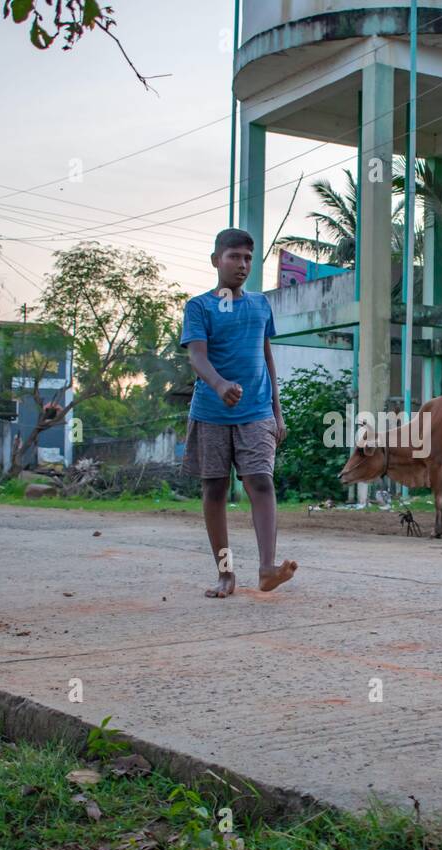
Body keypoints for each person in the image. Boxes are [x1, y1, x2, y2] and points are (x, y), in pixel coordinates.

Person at [181, 228, 296, 598]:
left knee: (260, 481)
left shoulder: (261, 305)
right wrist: (219, 385)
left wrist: (277, 412)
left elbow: (266, 358)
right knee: (214, 489)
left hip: (257, 411)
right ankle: (226, 573)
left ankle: (266, 568)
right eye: (234, 257)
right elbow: (196, 355)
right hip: (211, 413)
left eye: (248, 257)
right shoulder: (200, 306)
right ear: (217, 260)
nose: (242, 264)